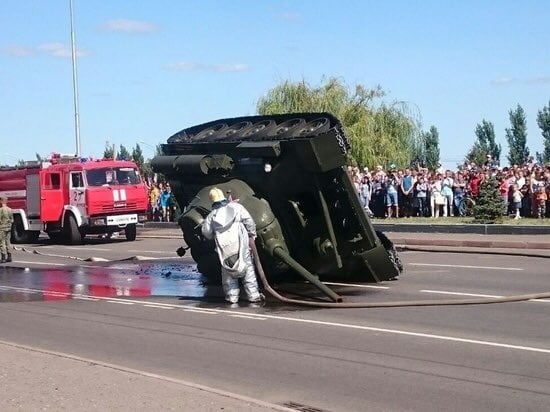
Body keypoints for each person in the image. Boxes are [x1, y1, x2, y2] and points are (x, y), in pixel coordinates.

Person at [201, 188, 264, 304]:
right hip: (241, 244)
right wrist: (252, 234)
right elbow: (249, 221)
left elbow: (206, 233)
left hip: (224, 248)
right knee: (247, 269)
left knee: (228, 272)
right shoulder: (237, 208)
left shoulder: (211, 217)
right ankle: (253, 295)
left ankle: (232, 297)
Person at [0, 195, 14, 263]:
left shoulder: (1, 210)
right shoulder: (10, 209)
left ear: (1, 201)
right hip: (8, 228)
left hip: (2, 228)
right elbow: (12, 220)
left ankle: (3, 258)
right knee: (8, 242)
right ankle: (9, 257)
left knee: (2, 242)